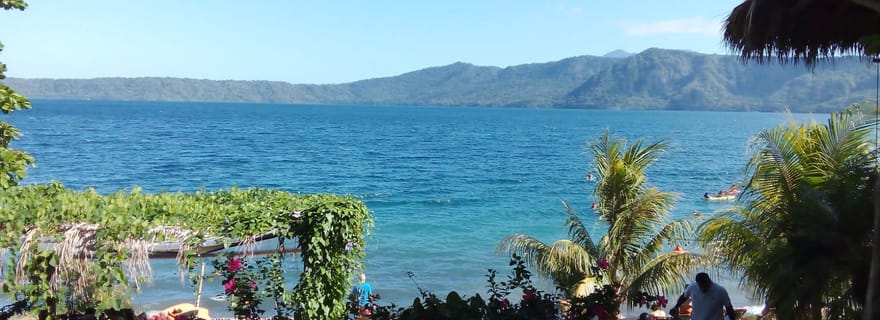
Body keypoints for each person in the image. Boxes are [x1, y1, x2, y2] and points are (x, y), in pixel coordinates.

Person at [670, 273, 736, 320]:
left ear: (709, 281)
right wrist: (676, 307)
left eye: (705, 286)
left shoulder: (720, 291)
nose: (703, 288)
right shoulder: (693, 287)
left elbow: (729, 308)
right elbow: (684, 296)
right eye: (701, 286)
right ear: (697, 283)